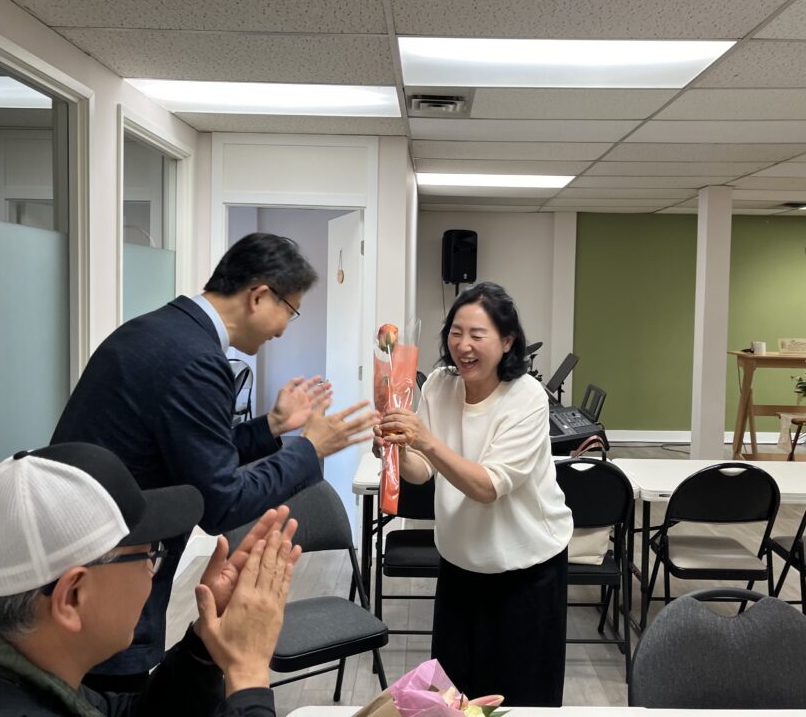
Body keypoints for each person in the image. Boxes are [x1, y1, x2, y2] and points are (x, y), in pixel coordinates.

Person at [51, 232, 378, 688]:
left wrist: (271, 426)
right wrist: (310, 449)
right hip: (105, 582)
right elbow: (222, 502)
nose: (284, 328)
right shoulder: (197, 360)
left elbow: (191, 452)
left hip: (78, 563)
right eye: (290, 310)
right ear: (259, 296)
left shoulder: (159, 330)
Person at [0, 442, 300, 716]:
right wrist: (247, 675)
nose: (153, 574)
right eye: (151, 556)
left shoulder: (2, 669)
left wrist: (203, 648)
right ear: (73, 596)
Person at [378, 282, 573, 707]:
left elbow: (488, 486)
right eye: (455, 332)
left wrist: (425, 440)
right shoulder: (439, 386)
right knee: (454, 701)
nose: (463, 345)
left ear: (507, 342)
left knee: (520, 700)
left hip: (526, 573)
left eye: (477, 335)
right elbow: (422, 470)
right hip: (460, 567)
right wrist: (397, 449)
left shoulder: (526, 398)